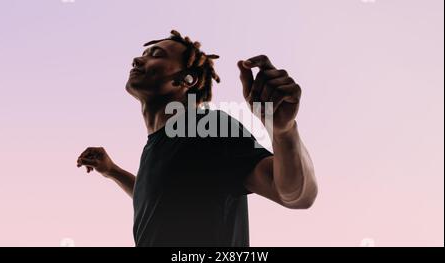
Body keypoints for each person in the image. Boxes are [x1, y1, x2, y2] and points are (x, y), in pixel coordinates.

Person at [76, 30, 318, 247]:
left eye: (155, 55)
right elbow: (157, 200)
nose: (138, 59)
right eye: (144, 53)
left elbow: (295, 194)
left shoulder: (206, 128)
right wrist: (112, 171)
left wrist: (284, 131)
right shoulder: (160, 144)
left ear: (186, 80)